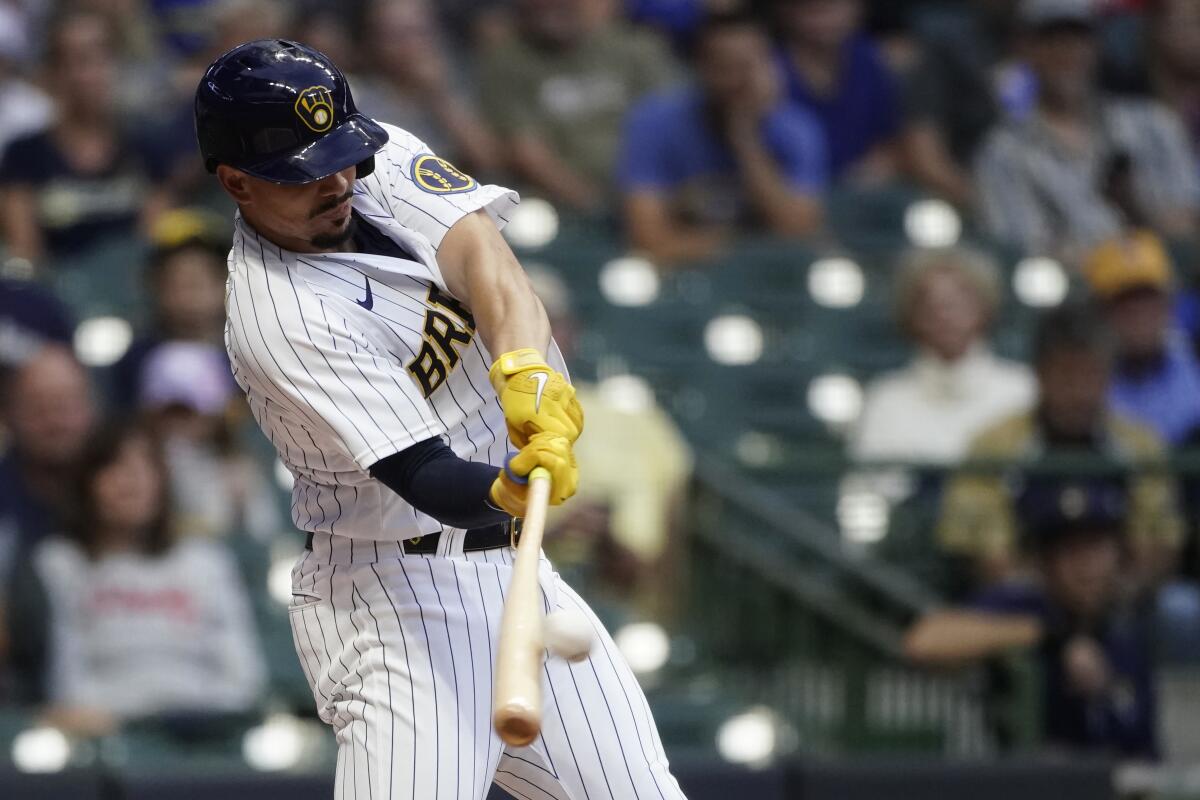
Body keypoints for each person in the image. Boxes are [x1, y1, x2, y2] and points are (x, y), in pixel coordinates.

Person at [195, 40, 686, 798]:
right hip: (395, 598)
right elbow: (425, 475)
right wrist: (512, 486)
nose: (336, 182)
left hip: (510, 570)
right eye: (304, 172)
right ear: (236, 182)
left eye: (340, 157)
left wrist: (522, 370)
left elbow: (487, 262)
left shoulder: (375, 161)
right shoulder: (278, 315)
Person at [8, 419, 265, 730]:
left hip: (207, 731)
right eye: (115, 466)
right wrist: (122, 719)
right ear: (88, 482)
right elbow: (64, 678)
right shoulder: (57, 564)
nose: (132, 479)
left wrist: (198, 717)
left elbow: (244, 676)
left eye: (145, 465)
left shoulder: (206, 561)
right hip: (104, 737)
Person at [907, 476, 1158, 759]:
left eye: (1096, 548)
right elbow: (925, 641)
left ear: (1118, 554)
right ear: (1044, 562)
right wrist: (1053, 638)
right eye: (1070, 551)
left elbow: (1147, 757)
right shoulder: (1024, 605)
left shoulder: (1128, 629)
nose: (1086, 564)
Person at [937, 302, 1183, 589]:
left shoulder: (1140, 444)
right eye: (1066, 375)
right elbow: (987, 556)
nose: (1079, 391)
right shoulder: (992, 447)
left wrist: (1111, 596)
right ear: (1040, 374)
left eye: (1090, 374)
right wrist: (1055, 606)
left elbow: (1161, 542)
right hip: (1020, 603)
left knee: (1180, 611)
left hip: (1121, 600)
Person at [974, 0, 1199, 262]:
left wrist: (1136, 209)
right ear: (1025, 49)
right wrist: (1113, 259)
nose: (1066, 53)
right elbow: (1023, 254)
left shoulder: (1152, 124)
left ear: (1095, 46)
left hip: (1169, 289)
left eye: (1077, 39)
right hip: (1076, 300)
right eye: (1051, 41)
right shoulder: (1003, 153)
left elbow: (1189, 224)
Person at [617, 12, 826, 265]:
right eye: (728, 67)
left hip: (772, 277)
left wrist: (746, 139)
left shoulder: (796, 129)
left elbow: (799, 231)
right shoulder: (654, 122)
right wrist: (737, 251)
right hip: (683, 276)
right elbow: (647, 239)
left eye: (753, 65)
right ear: (701, 69)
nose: (743, 80)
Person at [0, 8, 171, 264]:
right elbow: (26, 256)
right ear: (52, 73)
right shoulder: (24, 155)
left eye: (103, 56)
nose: (93, 74)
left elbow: (155, 247)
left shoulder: (146, 149)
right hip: (56, 295)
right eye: (78, 60)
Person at [477, 0, 678, 210]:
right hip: (564, 206)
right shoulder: (507, 61)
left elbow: (668, 127)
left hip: (652, 191)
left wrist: (646, 198)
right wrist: (594, 205)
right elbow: (526, 151)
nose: (550, 7)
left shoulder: (637, 48)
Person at [851, 246, 1035, 466]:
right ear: (909, 314)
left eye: (958, 299)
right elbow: (870, 487)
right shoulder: (885, 399)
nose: (943, 313)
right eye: (929, 302)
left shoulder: (1024, 390)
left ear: (985, 306)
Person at [138, 341, 283, 543]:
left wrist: (239, 508)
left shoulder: (239, 467)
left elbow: (264, 535)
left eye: (190, 413)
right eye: (171, 413)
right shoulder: (136, 467)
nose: (181, 425)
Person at [354, 0, 500, 175]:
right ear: (373, 41)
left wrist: (439, 97)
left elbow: (489, 160)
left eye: (418, 32)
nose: (408, 45)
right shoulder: (362, 102)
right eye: (395, 35)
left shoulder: (457, 80)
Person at [1083, 231, 1200, 446]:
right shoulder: (1081, 384)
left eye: (1148, 299)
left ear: (1168, 304)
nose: (1139, 315)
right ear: (1100, 313)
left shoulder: (1194, 366)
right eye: (1124, 303)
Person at [109, 208, 230, 408]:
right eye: (178, 283)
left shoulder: (251, 353)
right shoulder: (137, 358)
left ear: (225, 283)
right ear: (155, 287)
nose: (191, 296)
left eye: (200, 282)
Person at [770, 0, 901, 182]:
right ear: (786, 11)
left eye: (835, 5)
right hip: (799, 191)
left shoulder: (867, 57)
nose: (825, 18)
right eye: (812, 9)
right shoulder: (769, 71)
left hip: (862, 187)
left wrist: (880, 164)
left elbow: (890, 139)